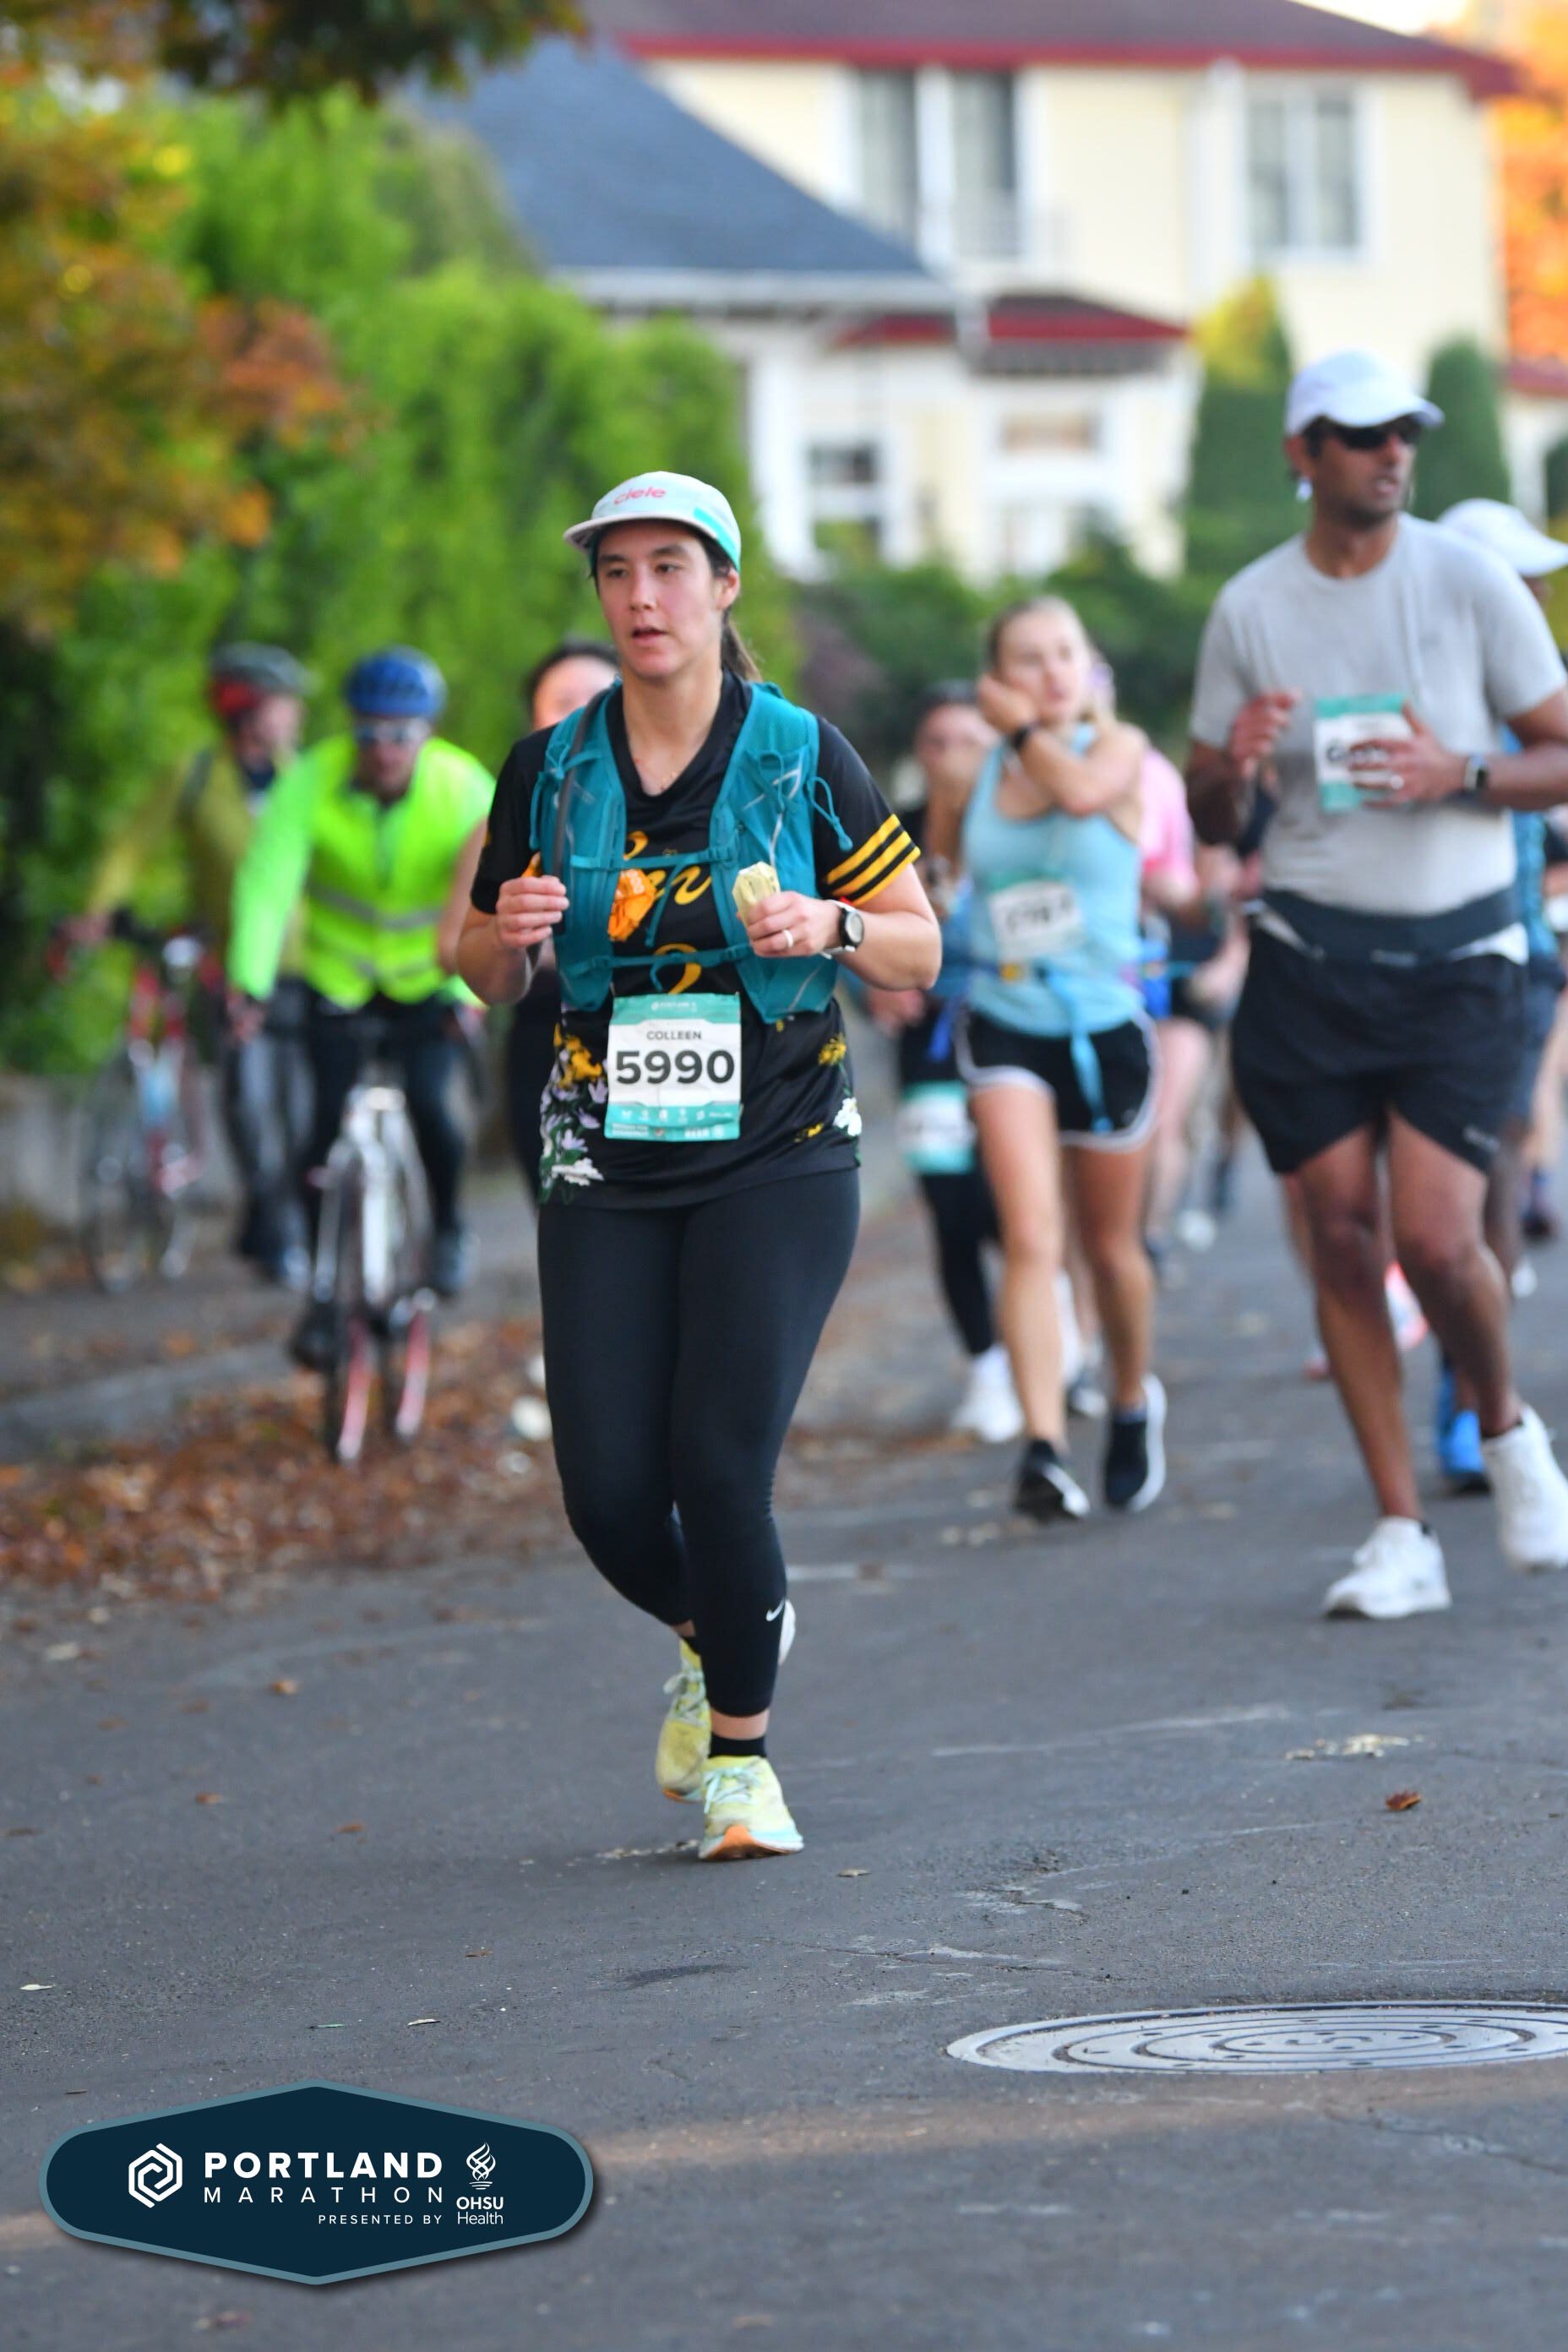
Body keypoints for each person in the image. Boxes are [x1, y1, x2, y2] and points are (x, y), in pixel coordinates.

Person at [456, 471, 939, 1861]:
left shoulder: (801, 753)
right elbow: (480, 964)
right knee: (611, 1496)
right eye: (617, 572)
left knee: (719, 1466)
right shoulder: (547, 768)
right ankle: (717, 1623)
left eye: (670, 567)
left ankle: (741, 1762)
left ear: (724, 587)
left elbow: (920, 944)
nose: (642, 597)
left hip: (779, 1149)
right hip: (606, 1157)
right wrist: (511, 936)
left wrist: (832, 925)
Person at [1188, 348, 1568, 1618]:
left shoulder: (1466, 580)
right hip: (1310, 961)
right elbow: (1207, 806)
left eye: (1402, 431)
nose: (1389, 453)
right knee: (1342, 1236)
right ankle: (1399, 1528)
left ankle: (1505, 1428)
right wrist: (1232, 769)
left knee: (1437, 1239)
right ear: (1302, 455)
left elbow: (1561, 750)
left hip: (1460, 961)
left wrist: (1458, 772)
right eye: (1359, 435)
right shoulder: (1250, 606)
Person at [958, 596, 1167, 1524]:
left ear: (1089, 667)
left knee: (1110, 1249)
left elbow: (1080, 795)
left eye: (1065, 655)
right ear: (996, 677)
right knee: (1031, 1236)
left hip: (1104, 1026)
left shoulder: (1120, 750)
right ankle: (1041, 1445)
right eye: (1028, 659)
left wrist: (1022, 733)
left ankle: (1129, 1397)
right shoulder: (973, 769)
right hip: (1005, 1018)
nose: (1051, 673)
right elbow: (938, 873)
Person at [227, 647, 496, 1364]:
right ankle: (324, 1297)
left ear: (428, 731)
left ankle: (448, 1226)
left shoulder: (464, 787)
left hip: (430, 981)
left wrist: (468, 994)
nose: (384, 748)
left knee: (434, 1108)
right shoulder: (310, 781)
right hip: (339, 977)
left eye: (401, 733)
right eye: (370, 732)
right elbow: (266, 884)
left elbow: (489, 898)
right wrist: (250, 982)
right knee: (320, 1135)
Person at [76, 643, 315, 1286]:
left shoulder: (307, 779)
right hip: (234, 965)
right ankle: (274, 1223)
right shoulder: (197, 775)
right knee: (247, 1097)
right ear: (247, 710)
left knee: (304, 1105)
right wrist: (99, 909)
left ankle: (289, 1218)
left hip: (313, 964)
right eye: (284, 702)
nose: (296, 714)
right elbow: (131, 846)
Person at [1427, 498, 1568, 1488]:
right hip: (1416, 961)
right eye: (1518, 582)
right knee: (1438, 1197)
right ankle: (1472, 1388)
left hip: (1518, 955)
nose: (1536, 595)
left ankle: (1475, 1401)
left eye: (1537, 580)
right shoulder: (1407, 690)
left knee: (1497, 1166)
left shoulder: (1543, 694)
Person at [868, 684, 1021, 1443]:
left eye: (970, 740)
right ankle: (986, 1365)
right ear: (919, 754)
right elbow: (847, 924)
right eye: (938, 742)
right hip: (927, 1041)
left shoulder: (1023, 827)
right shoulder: (890, 834)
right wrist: (871, 984)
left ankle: (1051, 1340)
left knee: (1014, 1204)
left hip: (1013, 1030)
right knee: (950, 1204)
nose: (953, 756)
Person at [438, 640, 619, 1203]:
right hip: (548, 1032)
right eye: (562, 702)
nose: (582, 714)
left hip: (671, 1035)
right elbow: (454, 945)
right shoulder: (507, 822)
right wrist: (512, 939)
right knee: (564, 1210)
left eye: (600, 698)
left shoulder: (691, 806)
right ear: (536, 722)